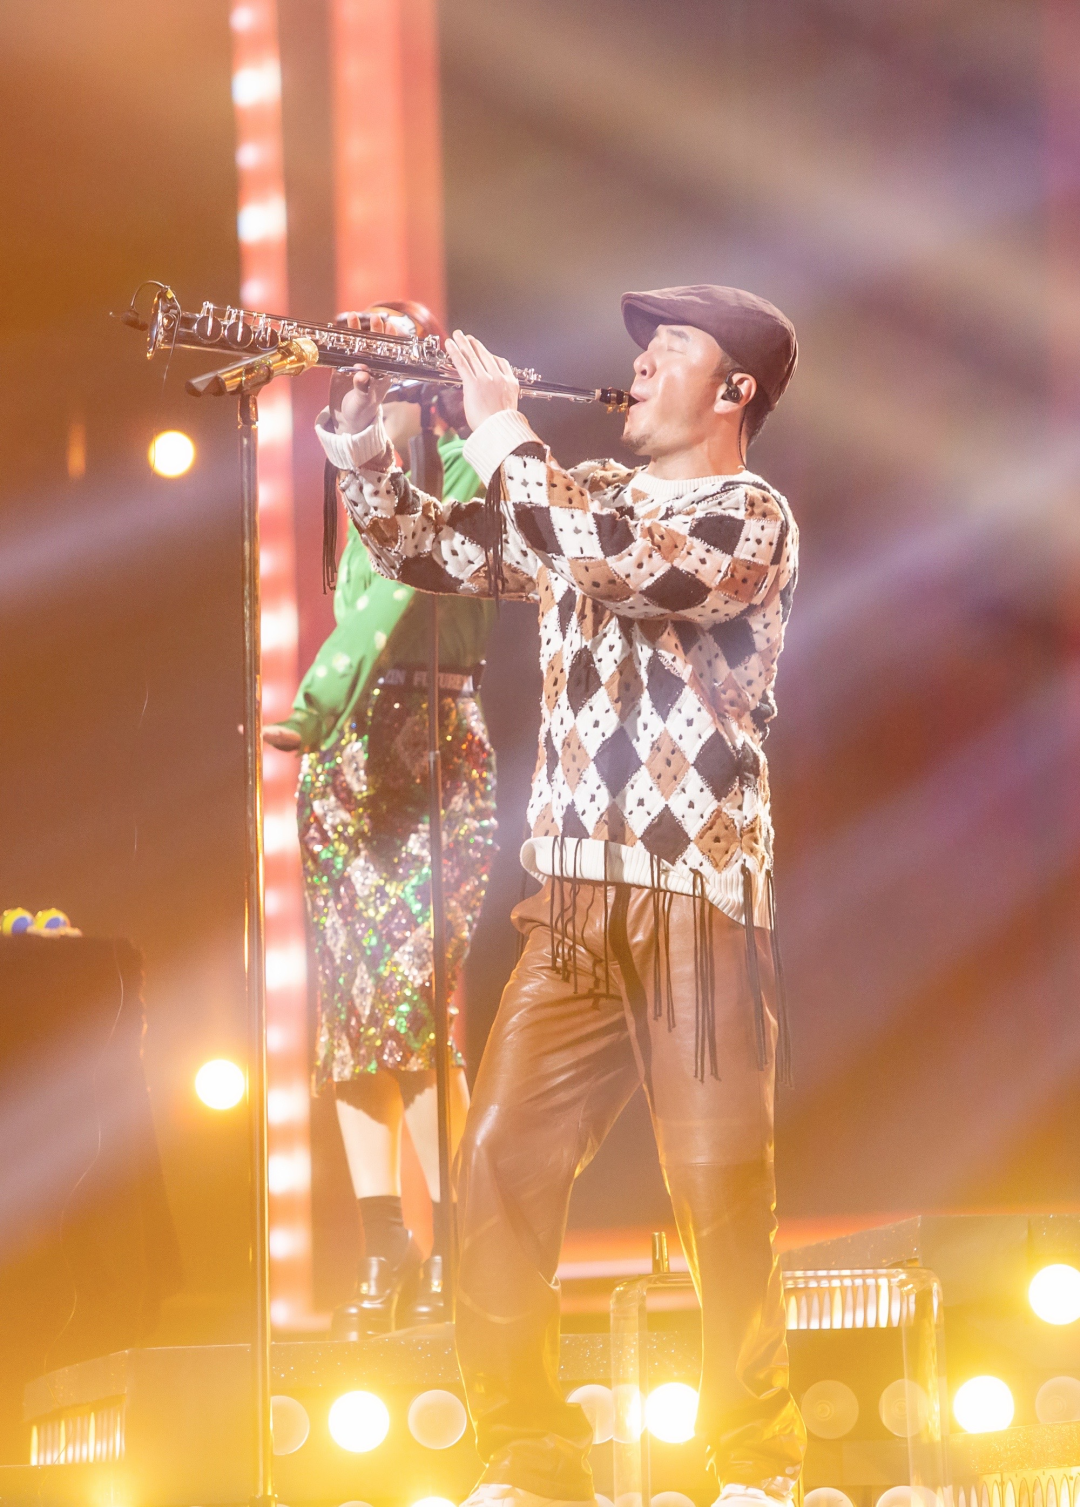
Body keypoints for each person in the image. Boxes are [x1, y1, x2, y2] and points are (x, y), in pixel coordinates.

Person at [315, 283, 805, 1507]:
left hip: (696, 898)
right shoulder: (576, 493)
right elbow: (424, 552)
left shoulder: (749, 516)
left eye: (669, 349)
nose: (638, 366)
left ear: (734, 389)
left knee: (720, 1183)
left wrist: (497, 430)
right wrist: (366, 439)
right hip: (572, 906)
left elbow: (619, 567)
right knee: (497, 1164)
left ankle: (755, 1460)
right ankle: (530, 1455)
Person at [266, 302, 497, 1334]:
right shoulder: (354, 473)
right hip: (349, 762)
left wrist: (315, 702)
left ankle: (458, 1240)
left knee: (414, 1005)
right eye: (350, 371)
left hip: (428, 745)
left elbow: (394, 595)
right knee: (355, 1014)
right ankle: (382, 1245)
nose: (361, 385)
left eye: (380, 367)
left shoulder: (466, 466)